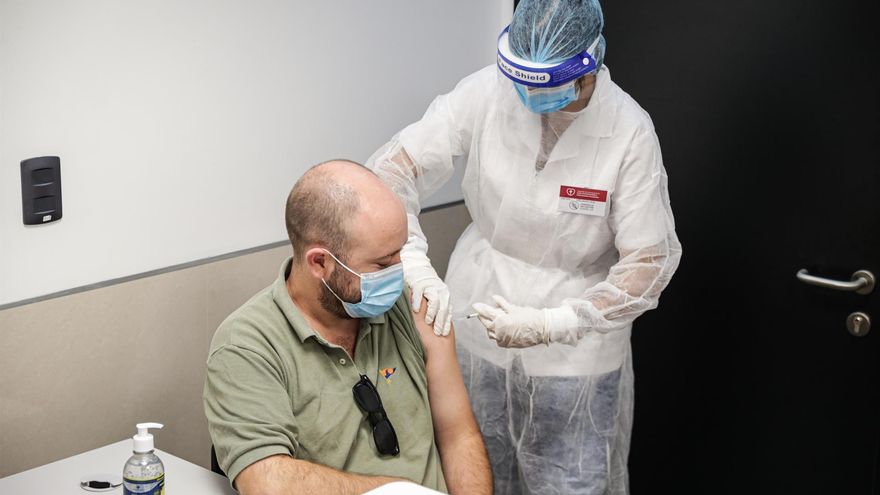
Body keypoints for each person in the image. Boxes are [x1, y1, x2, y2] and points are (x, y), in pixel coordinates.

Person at [367, 0, 682, 493]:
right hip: (480, 307)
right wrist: (411, 261)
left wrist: (558, 322)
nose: (526, 94)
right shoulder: (488, 92)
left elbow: (650, 260)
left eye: (544, 84)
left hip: (576, 351)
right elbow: (392, 171)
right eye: (521, 80)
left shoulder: (628, 132)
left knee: (569, 480)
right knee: (474, 466)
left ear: (587, 69)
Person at [203, 160, 492, 495]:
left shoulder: (414, 309)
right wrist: (394, 491)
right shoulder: (247, 345)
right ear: (320, 263)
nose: (399, 274)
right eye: (382, 264)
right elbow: (267, 482)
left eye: (401, 252)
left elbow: (459, 437)